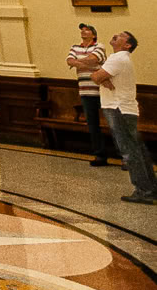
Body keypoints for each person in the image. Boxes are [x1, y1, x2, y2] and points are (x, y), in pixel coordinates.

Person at [91, 32, 156, 203]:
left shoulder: (118, 58)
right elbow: (101, 76)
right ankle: (151, 188)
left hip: (117, 108)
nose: (115, 35)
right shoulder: (120, 58)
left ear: (128, 45)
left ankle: (144, 191)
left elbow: (96, 76)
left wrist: (99, 77)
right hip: (125, 108)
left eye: (121, 36)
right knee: (138, 150)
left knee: (130, 151)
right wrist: (102, 78)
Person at [65, 23, 108, 164]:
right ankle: (99, 155)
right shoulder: (75, 47)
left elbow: (94, 59)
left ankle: (124, 156)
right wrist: (79, 62)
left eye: (87, 29)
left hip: (102, 90)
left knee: (112, 123)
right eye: (82, 30)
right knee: (92, 124)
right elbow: (69, 60)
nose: (84, 31)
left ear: (94, 35)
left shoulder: (99, 46)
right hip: (85, 91)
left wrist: (77, 62)